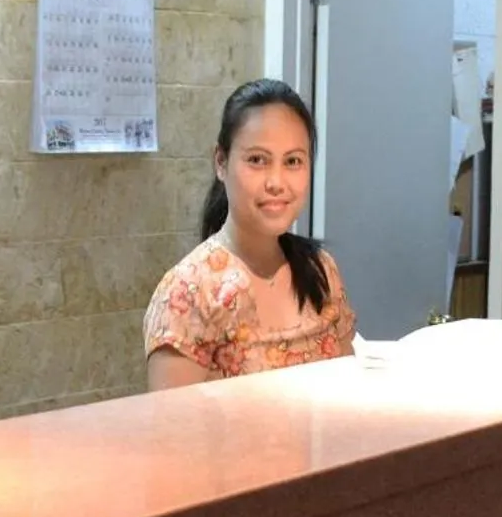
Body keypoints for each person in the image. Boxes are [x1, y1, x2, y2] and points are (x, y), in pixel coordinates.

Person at [143, 79, 356, 388]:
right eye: (257, 160)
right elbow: (172, 418)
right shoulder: (188, 293)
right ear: (221, 162)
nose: (276, 182)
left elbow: (347, 393)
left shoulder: (322, 271)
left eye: (293, 161)